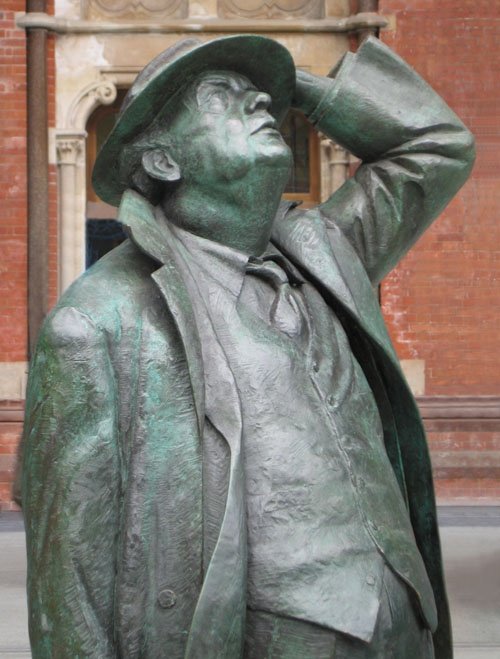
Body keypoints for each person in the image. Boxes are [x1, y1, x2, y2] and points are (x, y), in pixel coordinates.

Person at [21, 34, 474, 658]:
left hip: (403, 627)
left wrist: (305, 89)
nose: (261, 99)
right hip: (262, 638)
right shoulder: (98, 322)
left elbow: (436, 147)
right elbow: (69, 580)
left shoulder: (328, 254)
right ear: (163, 161)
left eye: (259, 93)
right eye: (221, 96)